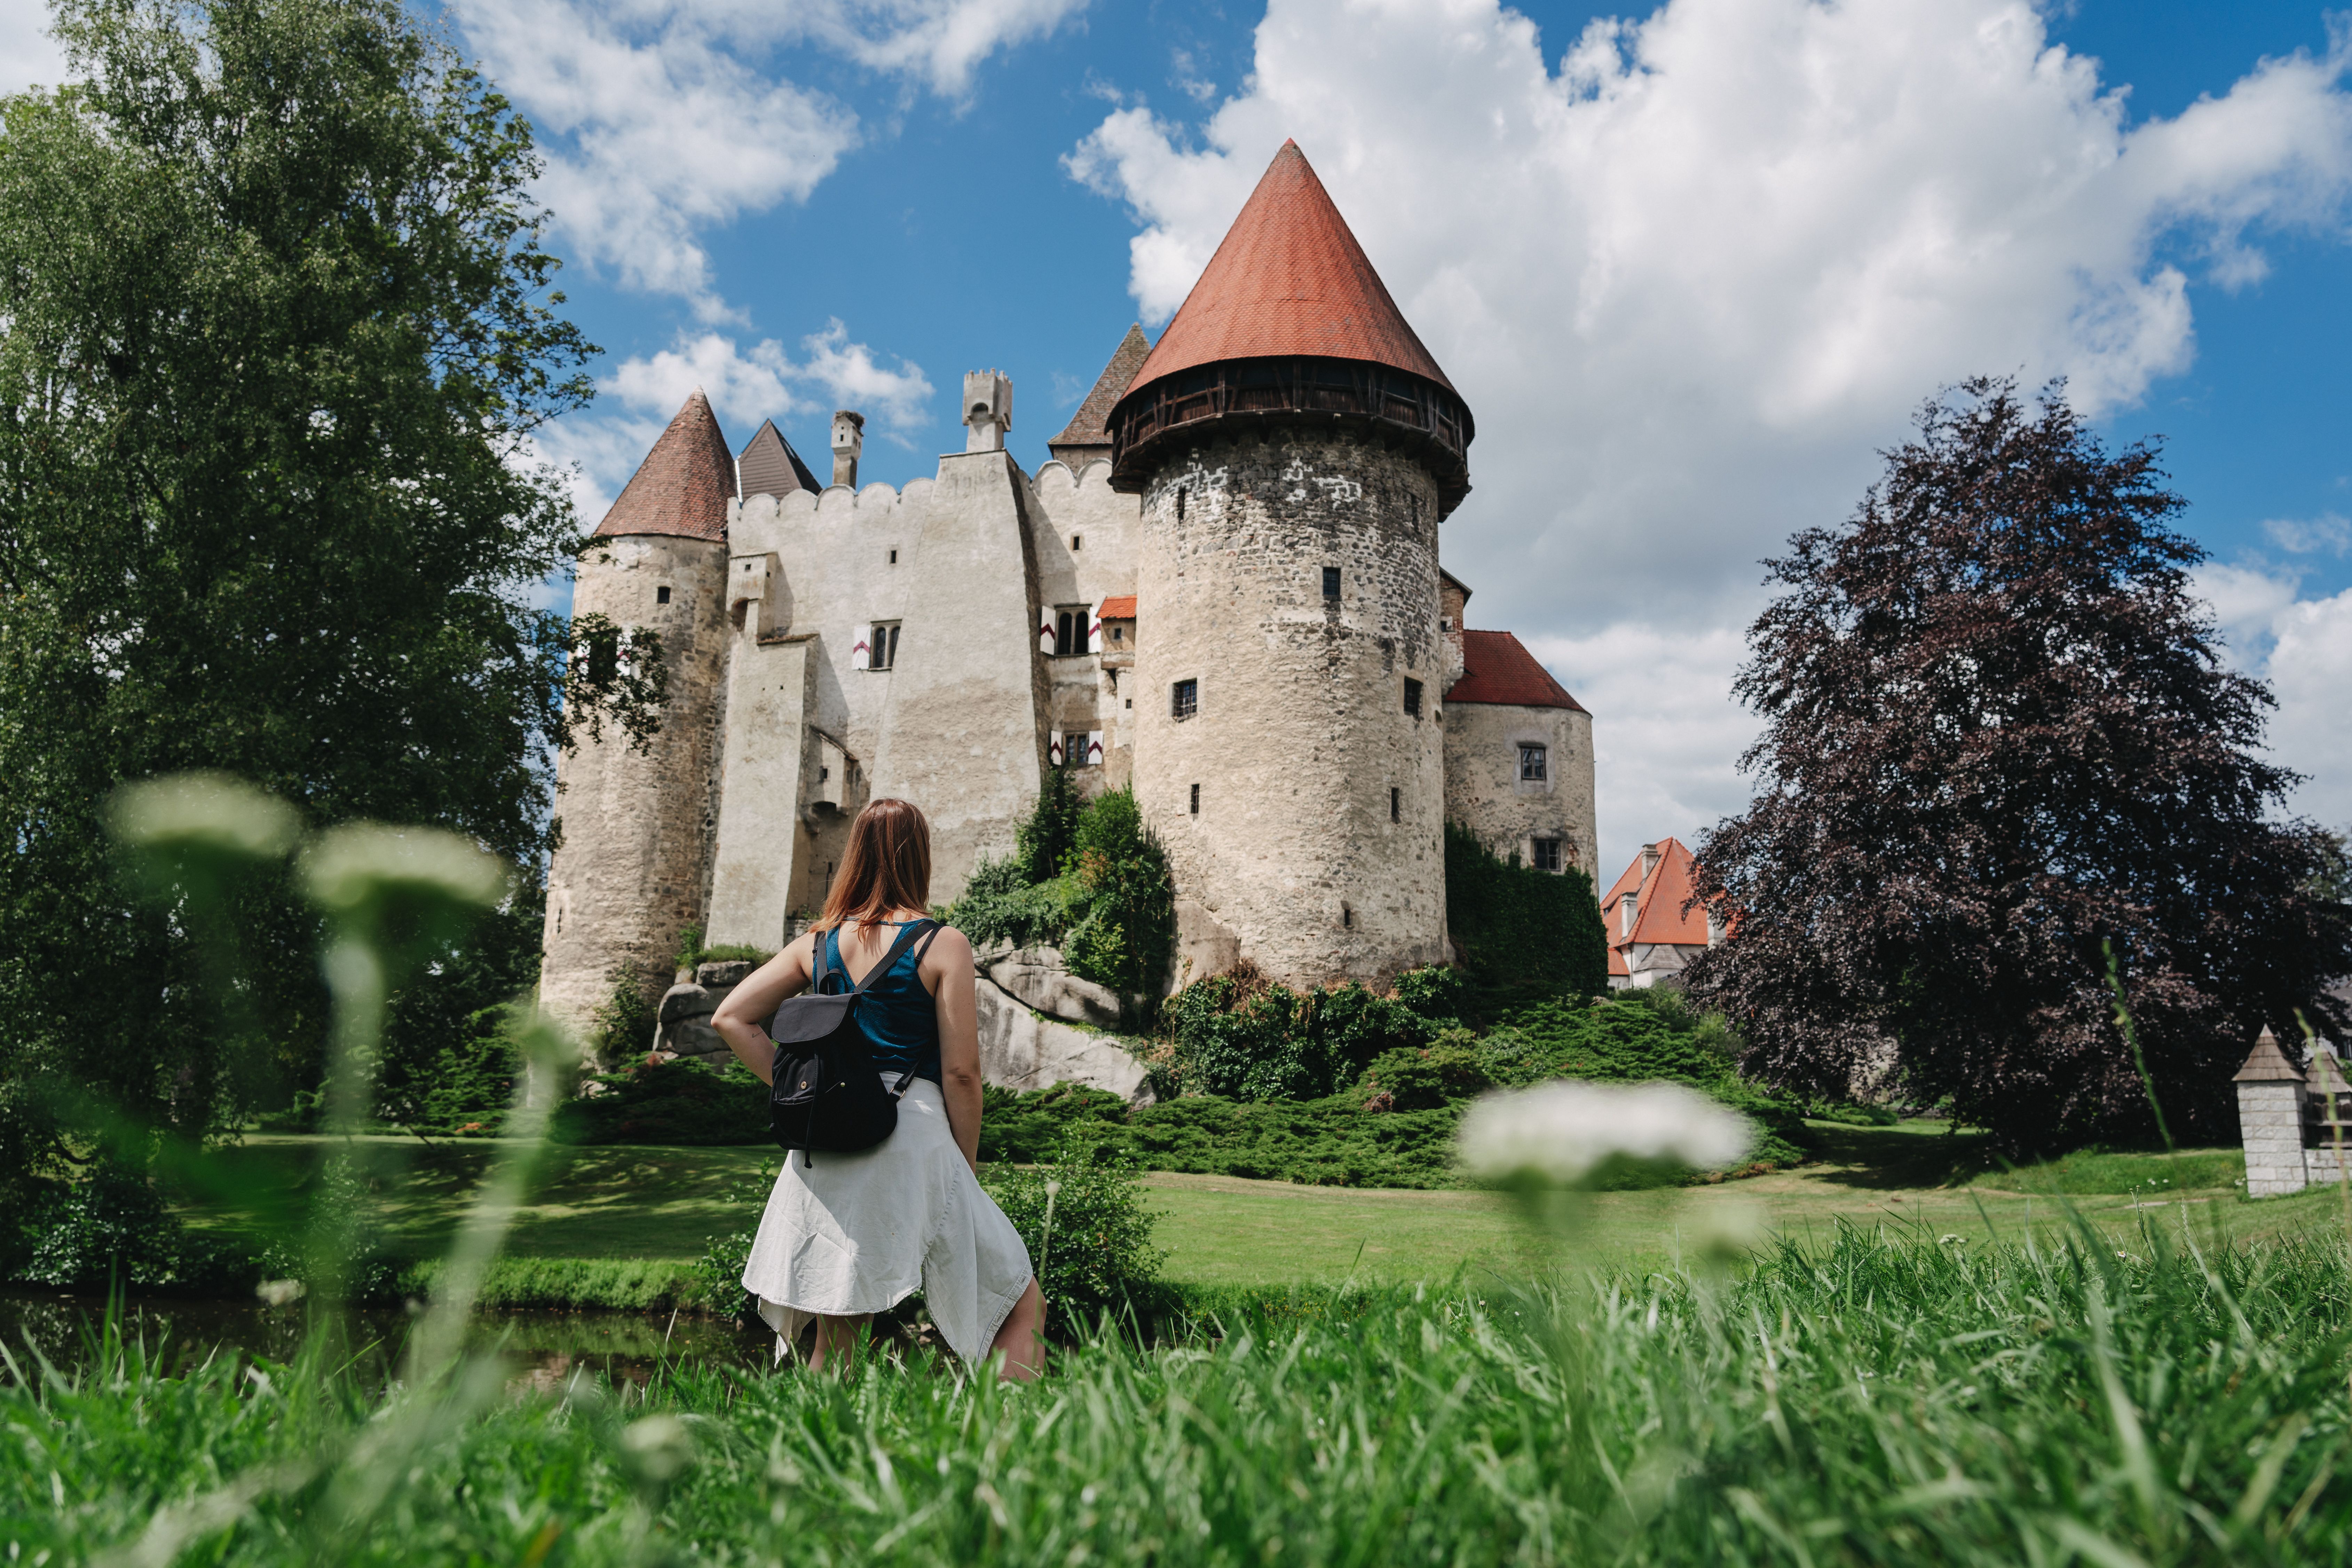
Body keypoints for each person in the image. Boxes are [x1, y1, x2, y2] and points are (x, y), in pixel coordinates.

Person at [710, 798, 1046, 1379]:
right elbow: (961, 1072)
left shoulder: (814, 944)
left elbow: (730, 1017)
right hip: (911, 1132)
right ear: (919, 857)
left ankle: (812, 1459)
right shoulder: (941, 944)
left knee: (837, 1332)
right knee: (1019, 1300)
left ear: (854, 856)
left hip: (828, 1143)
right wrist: (965, 1166)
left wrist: (805, 1090)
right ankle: (1015, 1442)